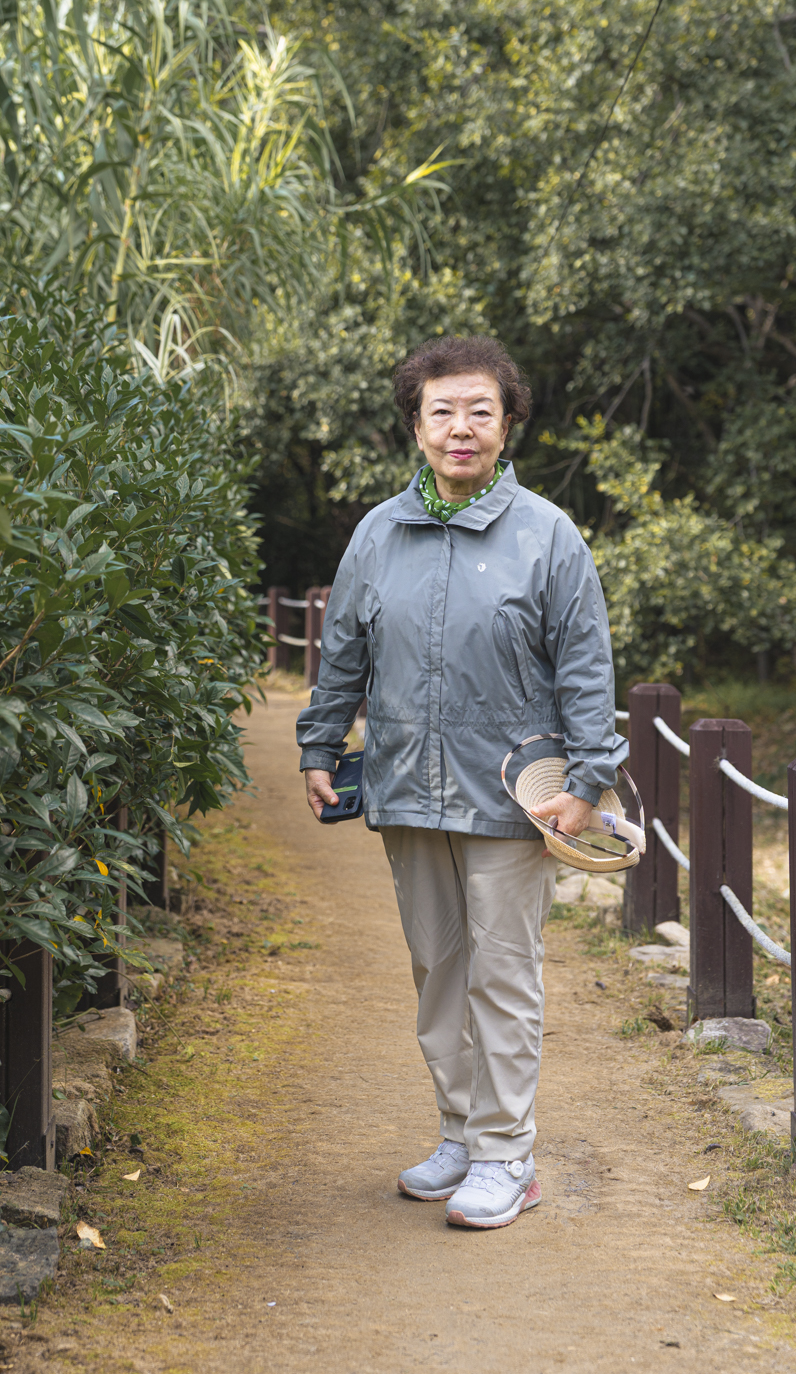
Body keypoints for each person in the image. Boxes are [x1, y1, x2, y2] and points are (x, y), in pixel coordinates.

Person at [297, 335, 627, 1230]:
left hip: (516, 795)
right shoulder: (377, 533)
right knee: (438, 971)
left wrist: (588, 781)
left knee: (504, 975)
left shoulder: (548, 535)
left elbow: (585, 667)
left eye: (480, 410)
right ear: (416, 426)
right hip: (407, 786)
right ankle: (460, 1133)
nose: (461, 428)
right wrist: (320, 746)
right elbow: (344, 653)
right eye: (441, 411)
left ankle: (508, 1153)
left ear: (508, 423)